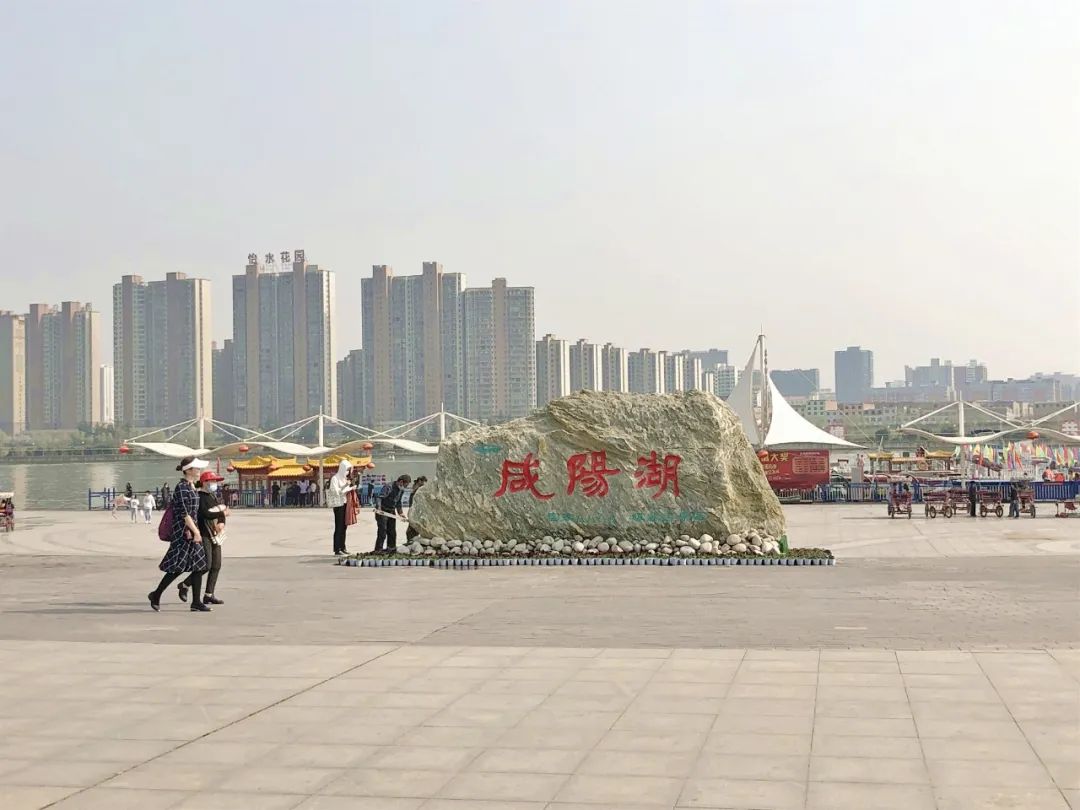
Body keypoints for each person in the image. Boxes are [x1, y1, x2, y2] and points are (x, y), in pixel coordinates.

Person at [148, 457, 211, 612]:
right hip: (183, 533)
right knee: (177, 568)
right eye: (197, 468)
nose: (199, 471)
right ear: (188, 470)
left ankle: (196, 602)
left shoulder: (191, 486)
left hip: (192, 531)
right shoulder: (182, 488)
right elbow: (184, 513)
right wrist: (196, 532)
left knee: (199, 566)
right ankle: (156, 594)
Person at [179, 470, 227, 605]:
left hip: (215, 534)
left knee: (216, 565)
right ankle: (185, 584)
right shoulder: (199, 496)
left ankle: (209, 594)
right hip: (204, 533)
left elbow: (220, 513)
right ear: (205, 482)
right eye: (213, 481)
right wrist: (221, 513)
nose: (215, 484)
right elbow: (204, 514)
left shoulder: (213, 496)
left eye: (216, 481)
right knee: (206, 565)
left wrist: (222, 522)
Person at [375, 475, 411, 553]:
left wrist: (400, 513)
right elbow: (379, 497)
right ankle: (378, 550)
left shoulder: (401, 490)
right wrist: (379, 508)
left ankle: (391, 548)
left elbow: (398, 502)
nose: (405, 487)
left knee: (392, 532)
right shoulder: (389, 487)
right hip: (383, 511)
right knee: (382, 532)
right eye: (405, 485)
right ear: (401, 482)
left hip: (391, 511)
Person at [327, 460, 356, 555]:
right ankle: (337, 549)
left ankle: (343, 547)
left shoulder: (344, 479)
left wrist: (349, 486)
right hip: (338, 505)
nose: (347, 472)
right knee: (338, 527)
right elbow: (335, 492)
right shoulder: (335, 478)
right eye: (346, 470)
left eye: (348, 471)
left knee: (344, 526)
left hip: (345, 504)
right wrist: (348, 488)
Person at [405, 476, 427, 542]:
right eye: (423, 482)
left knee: (414, 528)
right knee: (412, 528)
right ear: (419, 481)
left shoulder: (416, 488)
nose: (423, 483)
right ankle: (411, 541)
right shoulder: (417, 489)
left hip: (415, 511)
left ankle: (412, 541)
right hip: (415, 511)